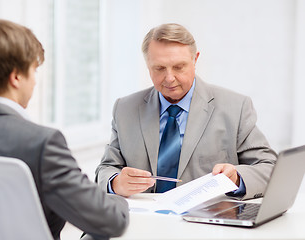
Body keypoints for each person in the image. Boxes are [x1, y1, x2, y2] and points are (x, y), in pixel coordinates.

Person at [0, 19, 128, 240]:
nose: (34, 82)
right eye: (33, 70)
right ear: (16, 77)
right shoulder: (42, 144)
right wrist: (119, 199)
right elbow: (110, 221)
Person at [95, 23, 277, 200]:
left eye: (178, 67)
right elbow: (106, 168)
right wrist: (116, 182)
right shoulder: (125, 109)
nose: (169, 78)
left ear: (195, 60)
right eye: (159, 68)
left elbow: (269, 168)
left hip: (207, 223)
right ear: (148, 66)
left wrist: (236, 177)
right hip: (142, 222)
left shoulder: (235, 107)